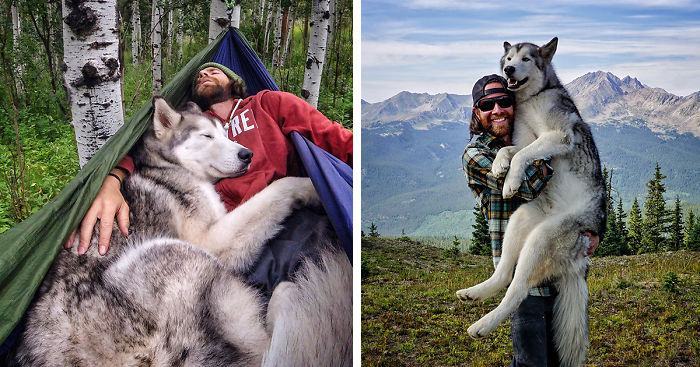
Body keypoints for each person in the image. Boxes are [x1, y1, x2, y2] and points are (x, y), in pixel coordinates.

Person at [66, 62, 352, 286]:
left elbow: (332, 137)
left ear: (234, 82)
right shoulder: (195, 126)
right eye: (199, 74)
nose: (205, 74)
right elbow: (149, 148)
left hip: (288, 225)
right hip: (223, 236)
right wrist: (112, 178)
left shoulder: (269, 104)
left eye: (215, 70)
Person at [461, 74, 598, 366]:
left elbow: (589, 177)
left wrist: (596, 227)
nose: (497, 110)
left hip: (561, 262)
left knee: (563, 357)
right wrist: (544, 147)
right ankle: (497, 286)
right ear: (477, 112)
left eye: (504, 102)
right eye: (487, 105)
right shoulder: (477, 154)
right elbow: (527, 187)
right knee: (532, 362)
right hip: (525, 284)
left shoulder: (529, 136)